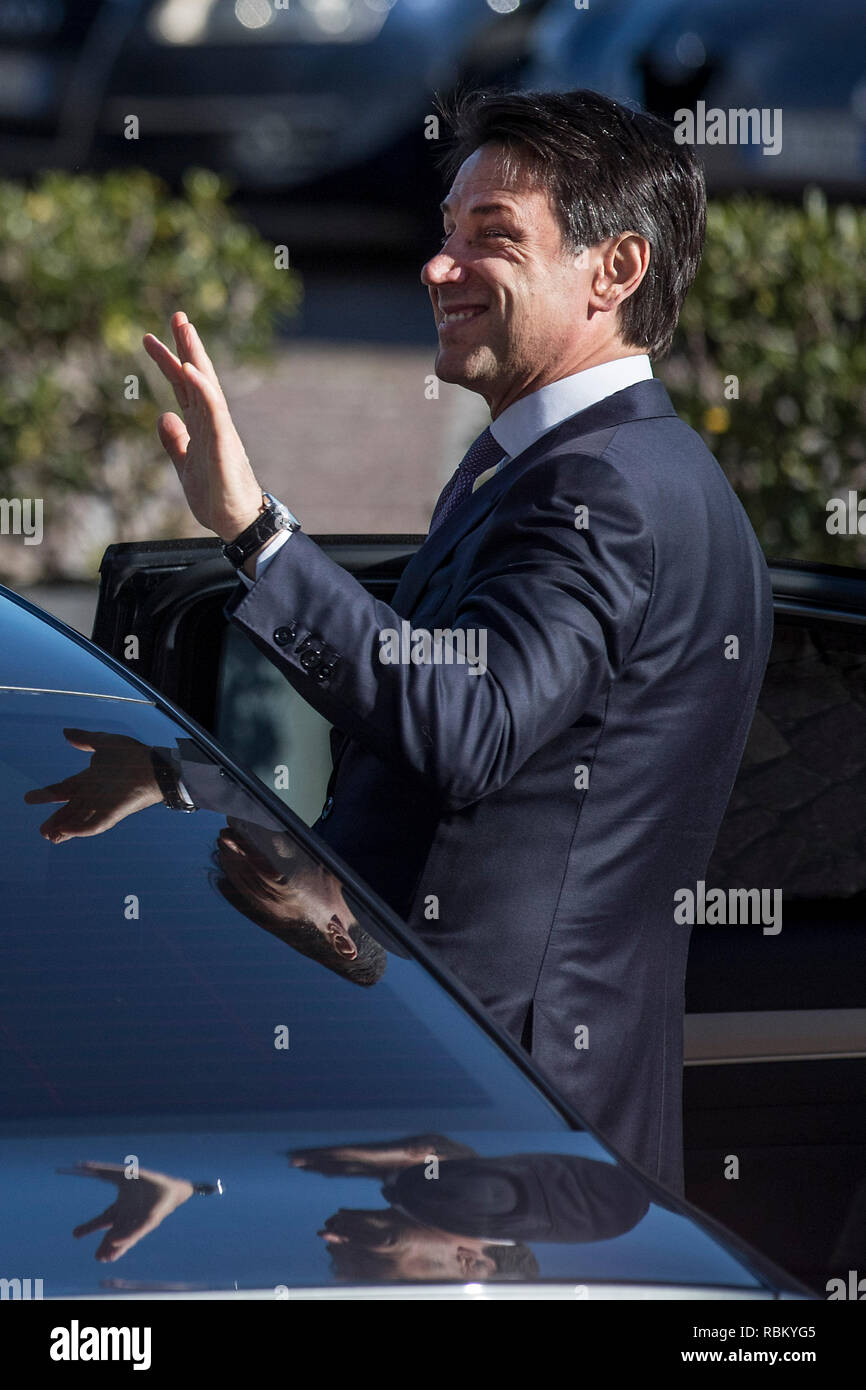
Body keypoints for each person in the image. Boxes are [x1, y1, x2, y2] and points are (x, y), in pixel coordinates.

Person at [143, 89, 773, 1195]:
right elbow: (503, 818)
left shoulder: (599, 488)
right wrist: (182, 784)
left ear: (612, 270)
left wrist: (255, 531)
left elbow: (469, 725)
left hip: (491, 1150)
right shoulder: (586, 463)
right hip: (496, 1122)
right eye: (445, 229)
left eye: (493, 238)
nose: (438, 267)